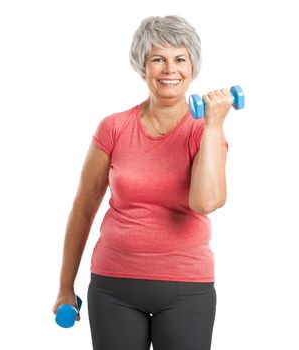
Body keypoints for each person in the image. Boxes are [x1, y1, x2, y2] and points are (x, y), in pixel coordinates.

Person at [53, 15, 232, 350]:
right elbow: (83, 208)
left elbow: (206, 202)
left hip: (186, 287)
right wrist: (65, 285)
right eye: (158, 59)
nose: (169, 70)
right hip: (113, 287)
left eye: (180, 59)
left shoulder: (204, 131)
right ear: (142, 65)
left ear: (192, 66)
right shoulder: (114, 127)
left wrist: (212, 125)